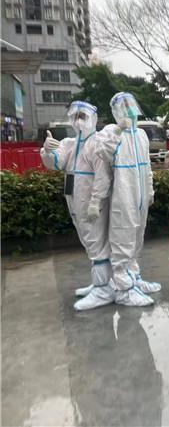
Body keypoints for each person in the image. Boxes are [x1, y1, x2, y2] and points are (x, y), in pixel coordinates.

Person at [40, 101, 114, 311]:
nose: (78, 121)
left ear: (93, 118)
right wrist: (47, 152)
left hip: (91, 203)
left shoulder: (97, 144)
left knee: (96, 242)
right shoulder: (70, 144)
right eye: (75, 116)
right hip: (75, 200)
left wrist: (96, 202)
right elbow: (57, 163)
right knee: (89, 241)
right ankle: (100, 282)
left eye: (83, 116)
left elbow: (103, 177)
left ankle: (103, 289)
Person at [95, 92, 161, 306]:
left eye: (130, 105)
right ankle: (124, 291)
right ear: (116, 111)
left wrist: (150, 191)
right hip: (123, 196)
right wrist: (118, 129)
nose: (129, 110)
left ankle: (134, 278)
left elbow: (147, 167)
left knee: (136, 239)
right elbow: (102, 152)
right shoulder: (110, 131)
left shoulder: (141, 135)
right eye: (124, 106)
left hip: (140, 198)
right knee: (123, 239)